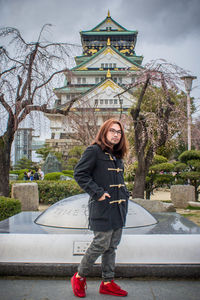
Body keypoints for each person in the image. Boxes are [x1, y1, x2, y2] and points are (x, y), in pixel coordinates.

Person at [71, 119, 129, 298]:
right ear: (104, 132)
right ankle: (79, 277)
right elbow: (80, 174)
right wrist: (98, 193)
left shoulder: (116, 156)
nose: (116, 134)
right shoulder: (93, 151)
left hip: (118, 208)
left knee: (112, 246)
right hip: (102, 207)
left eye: (119, 132)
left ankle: (107, 282)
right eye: (112, 130)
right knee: (100, 243)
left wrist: (125, 193)